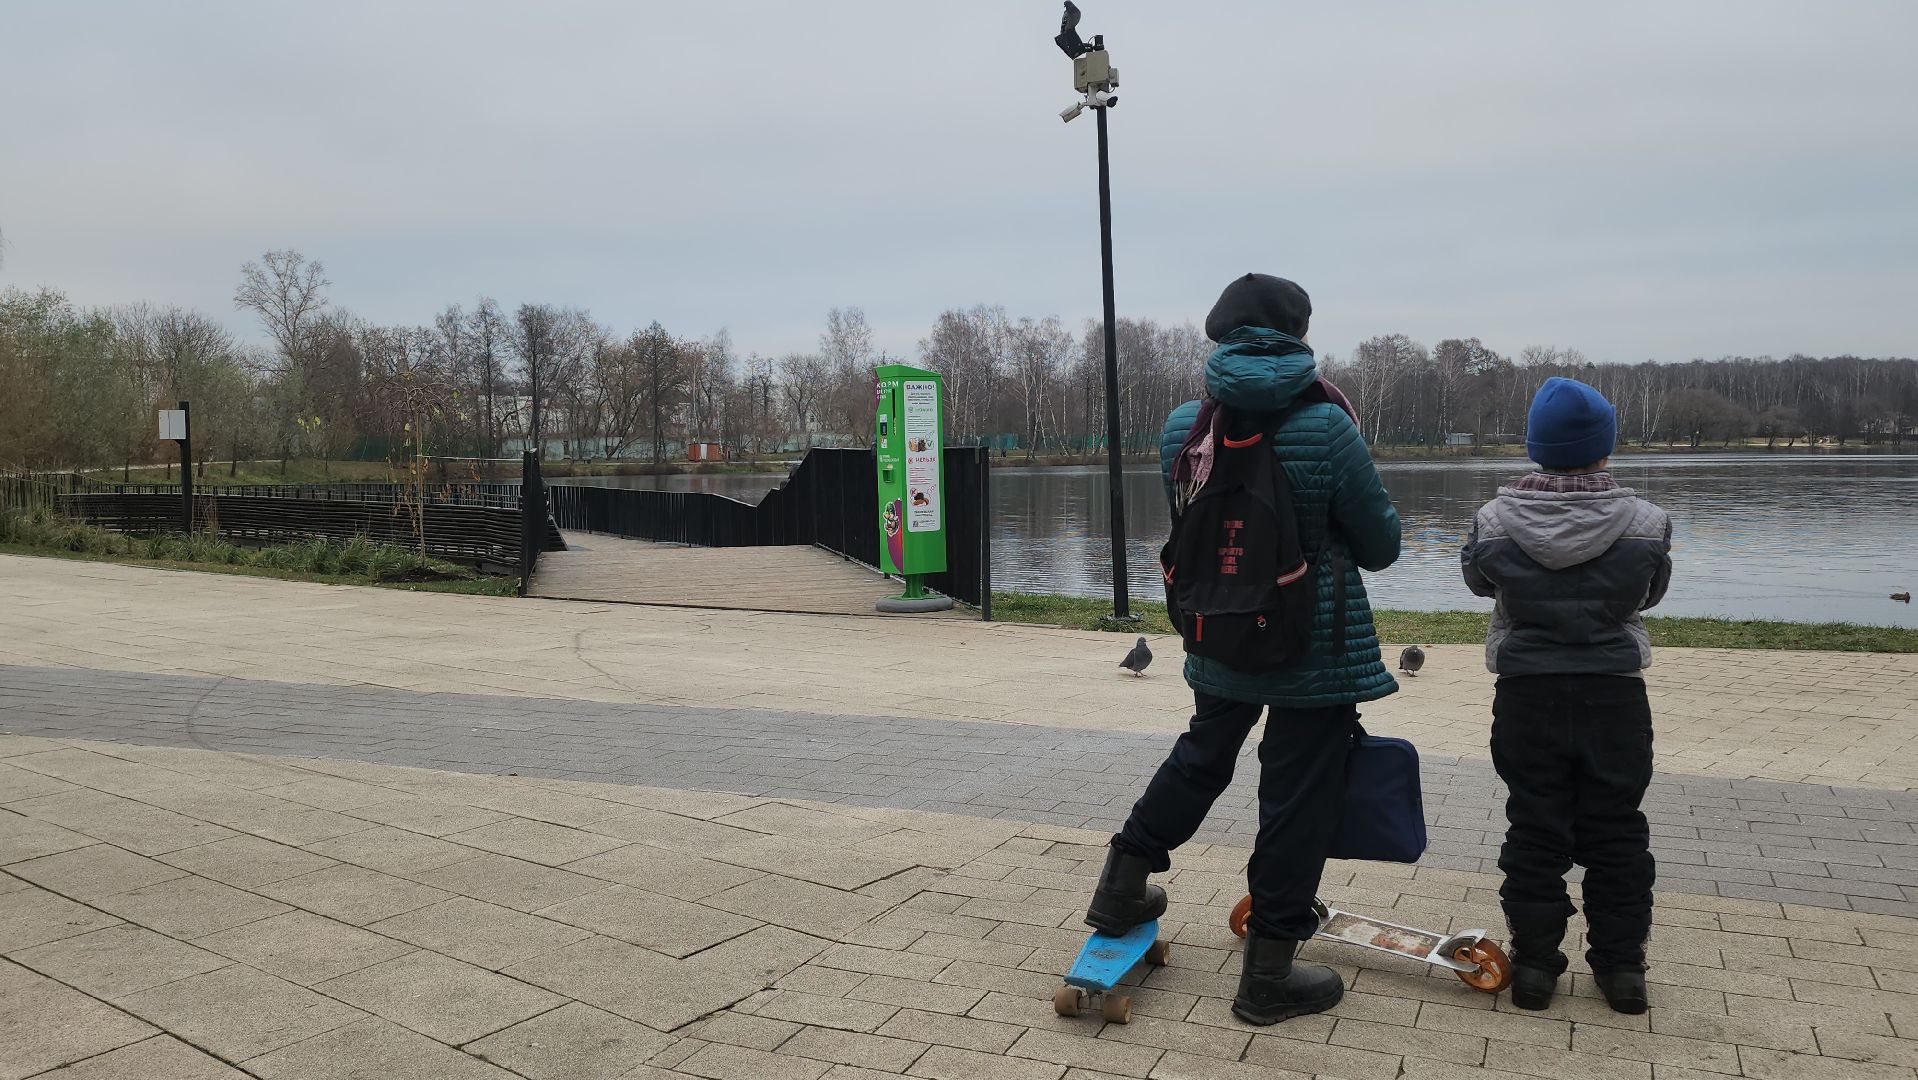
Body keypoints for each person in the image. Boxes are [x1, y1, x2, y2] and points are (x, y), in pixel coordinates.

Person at [1082, 273, 1402, 1025]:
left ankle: (1122, 885)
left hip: (1220, 630)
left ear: (1218, 334)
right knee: (1297, 798)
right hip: (1313, 647)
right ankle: (1266, 977)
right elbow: (1382, 544)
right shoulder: (1328, 426)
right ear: (1298, 334)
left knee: (1203, 754)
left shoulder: (1185, 427)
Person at [1460, 377, 1672, 1014]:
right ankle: (1621, 971)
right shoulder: (1648, 523)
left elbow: (1477, 582)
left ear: (1535, 449)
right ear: (1604, 448)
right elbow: (1650, 596)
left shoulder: (1492, 522)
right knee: (1617, 833)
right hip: (1614, 696)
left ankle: (1533, 969)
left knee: (1534, 828)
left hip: (1527, 695)